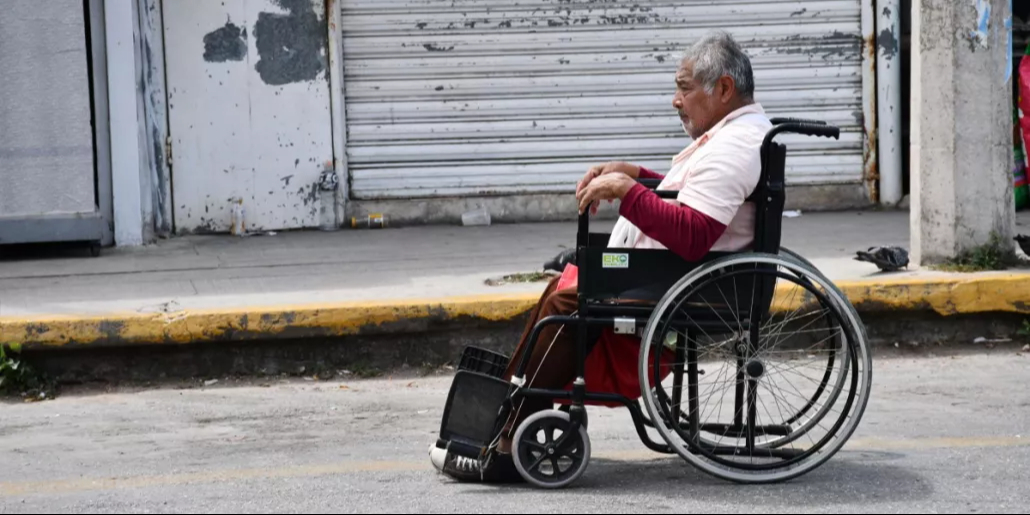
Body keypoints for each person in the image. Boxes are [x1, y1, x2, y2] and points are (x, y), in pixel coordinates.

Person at [430, 30, 773, 483]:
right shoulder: (732, 135)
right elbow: (688, 196)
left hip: (685, 281)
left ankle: (509, 435)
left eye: (684, 87)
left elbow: (693, 234)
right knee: (567, 282)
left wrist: (628, 193)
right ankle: (512, 415)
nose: (675, 100)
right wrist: (634, 174)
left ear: (724, 89)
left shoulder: (735, 147)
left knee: (568, 303)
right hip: (668, 272)